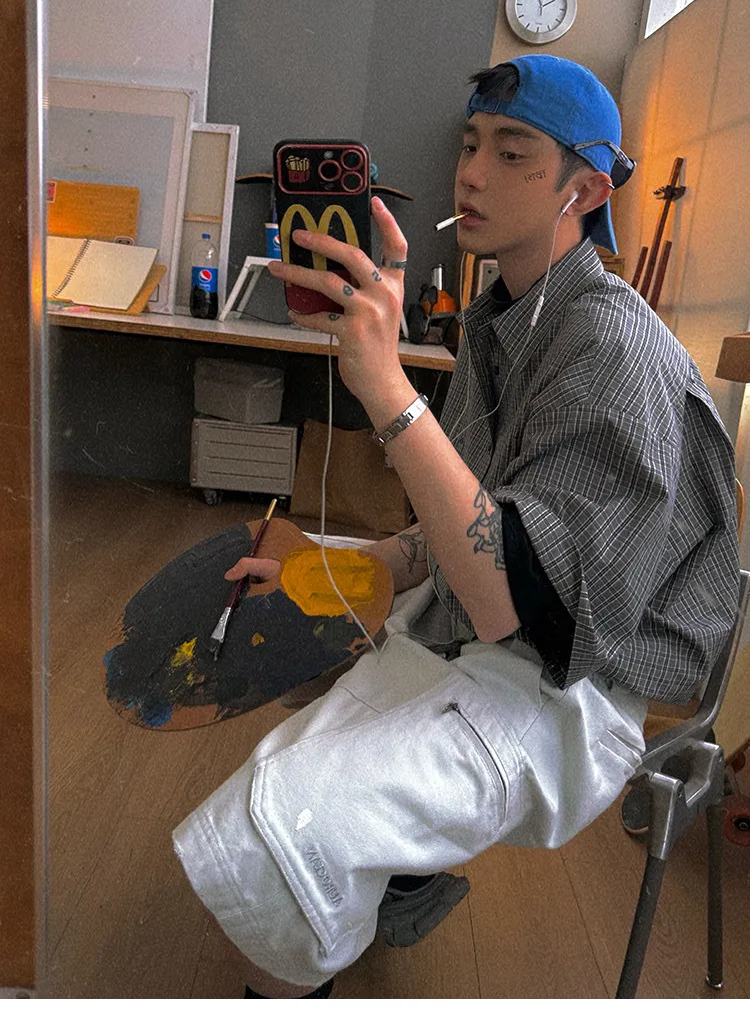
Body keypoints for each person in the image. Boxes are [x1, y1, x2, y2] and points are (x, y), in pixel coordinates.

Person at [172, 55, 740, 999]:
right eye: (471, 144)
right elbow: (464, 524)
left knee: (282, 828)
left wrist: (387, 387)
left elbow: (524, 607)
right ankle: (395, 878)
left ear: (584, 190)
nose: (470, 173)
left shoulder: (616, 349)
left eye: (512, 153)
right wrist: (337, 568)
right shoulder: (503, 317)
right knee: (288, 675)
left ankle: (335, 923)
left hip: (572, 691)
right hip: (473, 624)